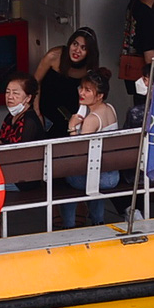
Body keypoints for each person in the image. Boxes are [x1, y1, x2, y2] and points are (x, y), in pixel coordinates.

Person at [58, 74, 120, 228]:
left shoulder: (92, 120)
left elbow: (79, 154)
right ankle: (98, 220)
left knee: (64, 178)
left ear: (99, 96)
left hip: (100, 178)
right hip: (113, 175)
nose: (81, 93)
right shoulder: (110, 108)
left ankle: (69, 225)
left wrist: (72, 127)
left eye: (87, 90)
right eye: (81, 88)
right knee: (92, 175)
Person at [34, 26, 104, 133]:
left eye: (83, 48)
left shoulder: (89, 67)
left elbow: (88, 94)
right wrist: (37, 112)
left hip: (69, 116)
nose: (77, 50)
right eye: (75, 44)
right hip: (45, 109)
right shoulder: (54, 56)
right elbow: (35, 82)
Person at [0, 74, 51, 144]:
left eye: (15, 93)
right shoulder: (10, 117)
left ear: (28, 98)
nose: (10, 96)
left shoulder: (29, 122)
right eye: (7, 92)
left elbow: (22, 152)